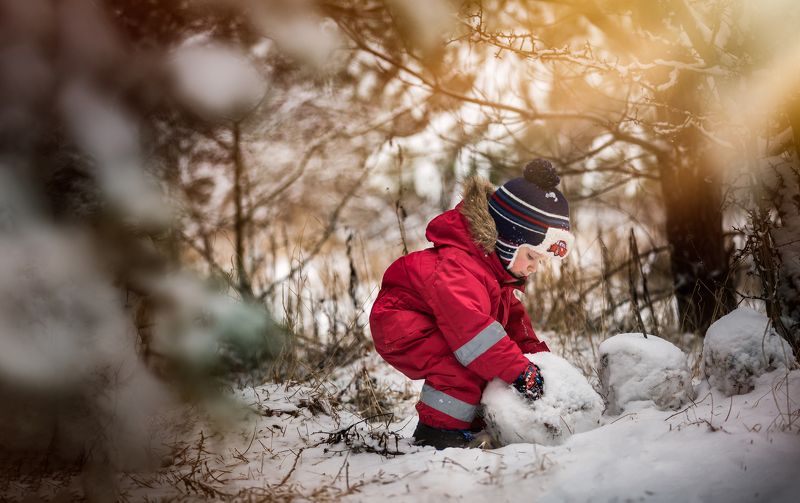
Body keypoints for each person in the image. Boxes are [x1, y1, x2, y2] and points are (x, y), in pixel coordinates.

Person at [369, 159, 575, 449]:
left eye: (541, 261)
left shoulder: (494, 273)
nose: (534, 268)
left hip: (438, 318)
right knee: (462, 362)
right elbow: (474, 332)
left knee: (485, 358)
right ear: (507, 241)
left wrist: (537, 360)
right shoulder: (460, 266)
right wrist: (518, 371)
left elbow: (512, 323)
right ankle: (438, 435)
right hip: (402, 320)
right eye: (531, 256)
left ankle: (472, 421)